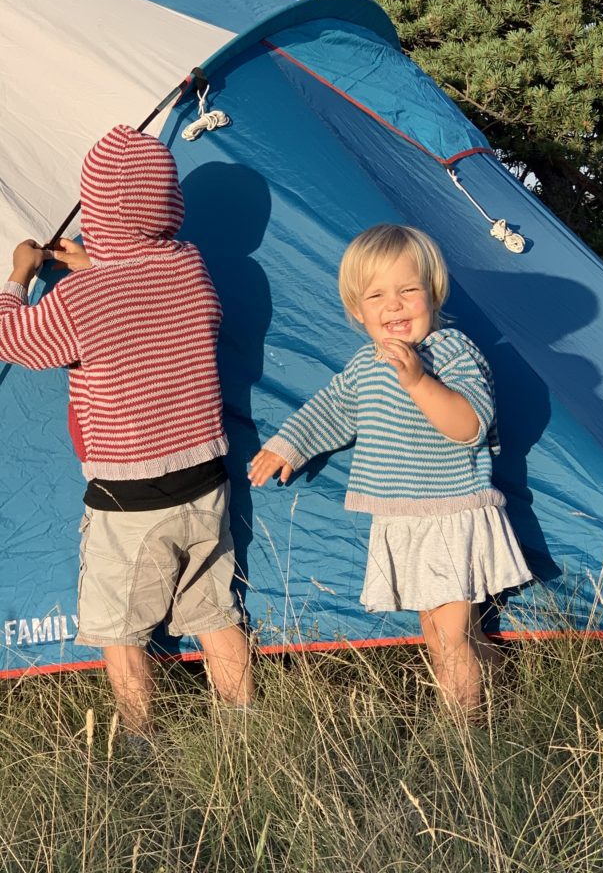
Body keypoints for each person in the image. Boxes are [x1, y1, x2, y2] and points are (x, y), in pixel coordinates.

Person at [0, 125, 253, 743]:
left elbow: (15, 340)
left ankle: (141, 741)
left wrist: (18, 276)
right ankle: (247, 733)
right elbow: (143, 294)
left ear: (95, 210)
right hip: (206, 483)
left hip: (128, 498)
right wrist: (95, 264)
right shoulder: (189, 265)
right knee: (215, 611)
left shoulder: (81, 298)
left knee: (120, 628)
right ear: (168, 205)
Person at [249, 223, 532, 716]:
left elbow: (468, 425)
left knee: (449, 638)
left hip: (449, 512)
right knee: (440, 631)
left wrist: (418, 381)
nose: (394, 306)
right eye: (376, 296)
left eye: (407, 291)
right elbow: (333, 409)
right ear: (358, 311)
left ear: (433, 294)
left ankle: (463, 732)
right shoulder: (366, 364)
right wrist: (289, 445)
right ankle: (499, 694)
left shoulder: (452, 351)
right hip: (402, 516)